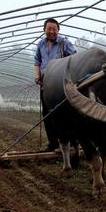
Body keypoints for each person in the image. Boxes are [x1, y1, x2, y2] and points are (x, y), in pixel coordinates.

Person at [34, 18, 77, 151]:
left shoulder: (64, 43)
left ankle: (69, 143)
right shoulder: (41, 44)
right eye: (49, 29)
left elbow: (74, 59)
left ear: (58, 30)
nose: (51, 31)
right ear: (44, 30)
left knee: (64, 115)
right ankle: (53, 143)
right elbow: (37, 61)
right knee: (48, 115)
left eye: (54, 29)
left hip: (60, 86)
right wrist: (37, 75)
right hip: (46, 85)